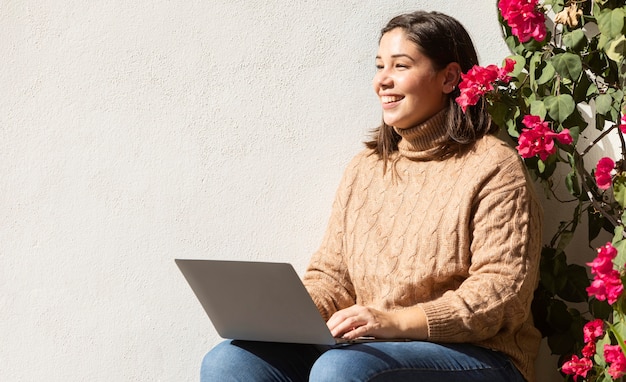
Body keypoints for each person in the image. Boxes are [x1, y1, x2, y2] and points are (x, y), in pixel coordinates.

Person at [200, 10, 542, 382]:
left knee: (343, 369)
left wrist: (393, 321)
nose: (383, 81)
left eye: (401, 65)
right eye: (380, 66)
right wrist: (288, 316)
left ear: (449, 78)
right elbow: (333, 276)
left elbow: (500, 295)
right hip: (368, 346)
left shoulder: (493, 166)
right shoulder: (365, 169)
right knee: (230, 360)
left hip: (478, 355)